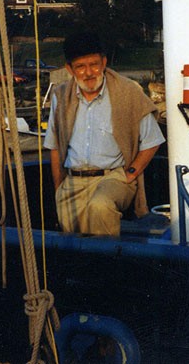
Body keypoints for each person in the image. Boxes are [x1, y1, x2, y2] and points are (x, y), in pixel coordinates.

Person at [43, 31, 165, 236]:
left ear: (104, 62)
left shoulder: (127, 91)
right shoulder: (61, 96)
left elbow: (152, 140)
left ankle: (108, 266)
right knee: (73, 246)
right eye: (80, 67)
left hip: (113, 178)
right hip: (73, 181)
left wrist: (130, 175)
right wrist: (58, 189)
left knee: (100, 205)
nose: (89, 72)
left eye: (94, 64)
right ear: (69, 69)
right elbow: (54, 146)